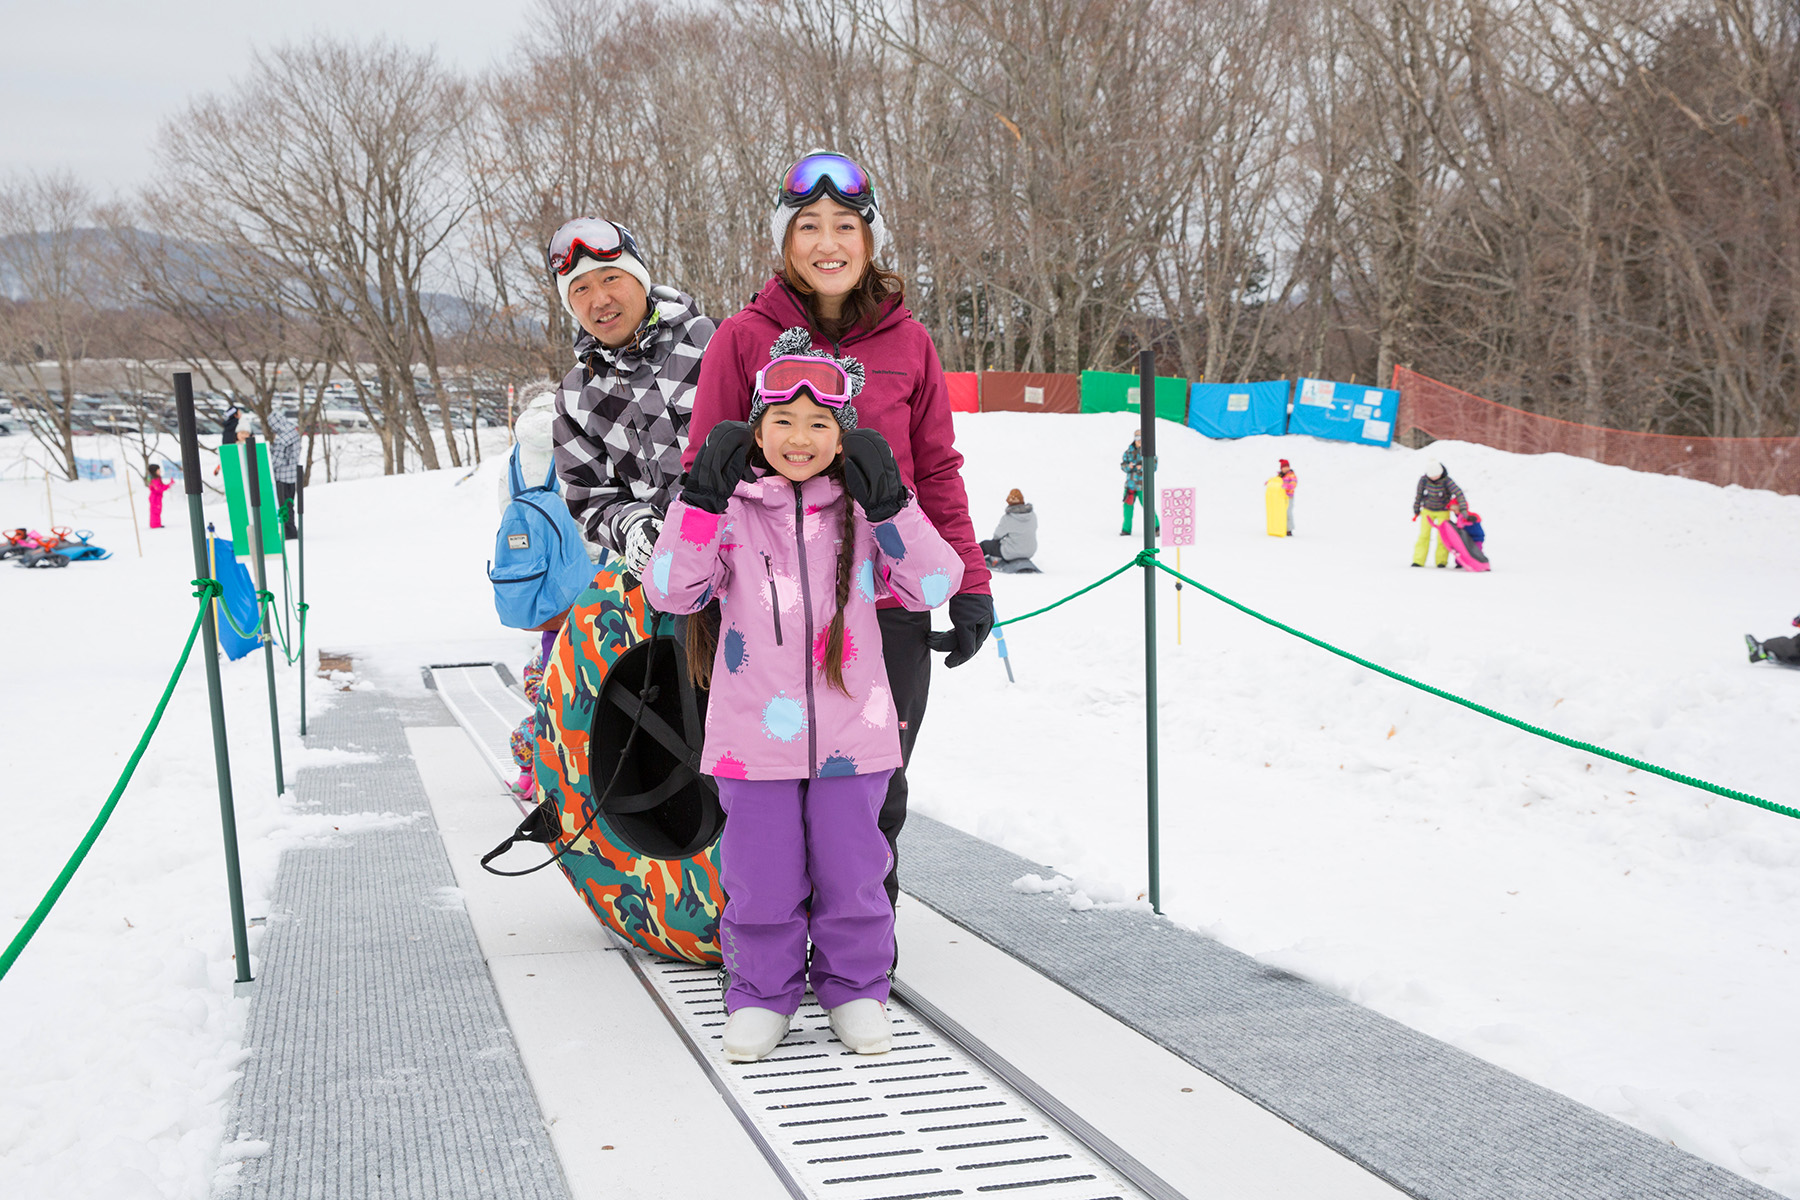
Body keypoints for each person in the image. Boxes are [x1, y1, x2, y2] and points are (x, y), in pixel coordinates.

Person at [685, 150, 991, 908]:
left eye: (846, 225)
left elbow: (938, 471)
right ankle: (770, 947)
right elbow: (701, 476)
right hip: (770, 610)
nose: (828, 242)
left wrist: (971, 586)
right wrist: (692, 598)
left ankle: (858, 956)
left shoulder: (909, 344)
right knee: (769, 797)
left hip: (883, 607)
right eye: (809, 225)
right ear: (785, 241)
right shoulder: (743, 339)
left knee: (873, 791)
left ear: (869, 238)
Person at [645, 336, 963, 1063]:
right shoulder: (733, 510)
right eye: (783, 421)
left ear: (842, 435)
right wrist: (697, 501)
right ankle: (761, 994)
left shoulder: (859, 510)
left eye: (820, 424)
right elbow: (669, 589)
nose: (801, 438)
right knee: (761, 877)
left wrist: (895, 507)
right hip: (753, 739)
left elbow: (935, 586)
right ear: (756, 429)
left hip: (856, 732)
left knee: (854, 871)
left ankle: (855, 988)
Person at [548, 218, 715, 579]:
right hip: (675, 576)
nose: (600, 300)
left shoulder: (713, 342)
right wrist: (633, 526)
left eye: (611, 278)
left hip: (760, 559)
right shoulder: (578, 396)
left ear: (639, 278)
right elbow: (590, 496)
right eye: (580, 289)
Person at [1411, 459, 1466, 567]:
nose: (1434, 478)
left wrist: (1463, 509)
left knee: (1442, 537)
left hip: (1443, 511)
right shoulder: (1424, 481)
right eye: (1432, 476)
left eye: (1436, 476)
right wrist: (1416, 509)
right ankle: (1418, 560)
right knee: (1423, 536)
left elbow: (1459, 493)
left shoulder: (1447, 481)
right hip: (1427, 510)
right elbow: (1419, 495)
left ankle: (1441, 561)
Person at [266, 409, 302, 539]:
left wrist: (268, 462)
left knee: (283, 506)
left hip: (282, 476)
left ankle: (288, 532)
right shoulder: (293, 431)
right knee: (289, 504)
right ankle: (290, 529)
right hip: (292, 476)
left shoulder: (282, 438)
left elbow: (277, 459)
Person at [980, 488, 1038, 566]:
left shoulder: (1008, 518)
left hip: (1011, 553)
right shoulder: (1032, 515)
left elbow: (997, 535)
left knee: (985, 545)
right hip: (1030, 551)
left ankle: (972, 562)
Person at [145, 464, 172, 530]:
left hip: (158, 497)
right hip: (155, 498)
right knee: (155, 511)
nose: (160, 471)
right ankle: (155, 524)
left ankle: (157, 524)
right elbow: (159, 489)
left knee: (158, 510)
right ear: (154, 471)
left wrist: (168, 485)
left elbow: (161, 486)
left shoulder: (157, 478)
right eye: (158, 470)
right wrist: (169, 485)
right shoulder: (154, 480)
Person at [1277, 458, 1297, 535]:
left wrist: (1286, 486)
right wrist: (1270, 483)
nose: (1285, 468)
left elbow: (1293, 484)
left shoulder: (1291, 475)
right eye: (1283, 467)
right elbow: (1276, 482)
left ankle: (1289, 529)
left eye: (1286, 467)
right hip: (1281, 497)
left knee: (1288, 512)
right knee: (1281, 512)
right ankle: (1281, 527)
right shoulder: (1280, 476)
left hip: (1289, 497)